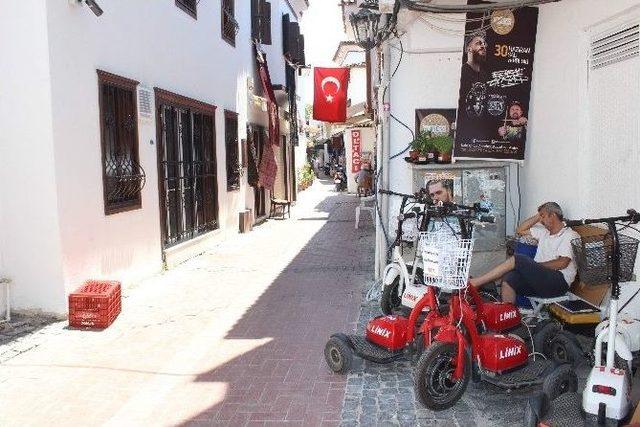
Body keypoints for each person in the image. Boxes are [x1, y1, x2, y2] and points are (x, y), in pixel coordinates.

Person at [470, 202, 581, 303]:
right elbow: (520, 230)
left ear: (553, 215)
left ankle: (476, 282)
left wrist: (534, 267)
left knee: (518, 259)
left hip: (558, 283)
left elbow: (562, 263)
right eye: (540, 217)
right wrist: (538, 215)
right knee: (510, 278)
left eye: (543, 216)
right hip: (541, 280)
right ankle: (509, 316)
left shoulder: (570, 235)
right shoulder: (544, 233)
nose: (541, 221)